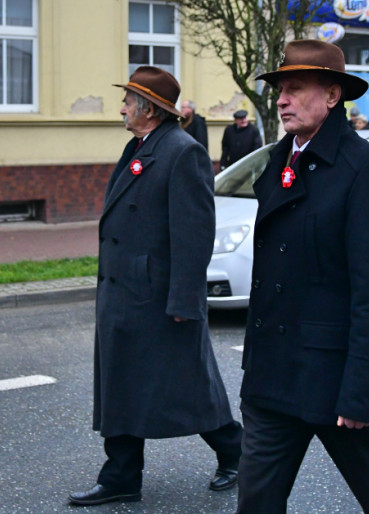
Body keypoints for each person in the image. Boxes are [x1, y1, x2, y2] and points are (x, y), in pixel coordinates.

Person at [236, 40, 369, 513]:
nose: (281, 99)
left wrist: (364, 389)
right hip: (272, 373)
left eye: (295, 88)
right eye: (280, 89)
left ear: (333, 95)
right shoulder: (279, 159)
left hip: (332, 378)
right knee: (255, 501)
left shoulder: (366, 169)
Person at [69, 66, 242, 506]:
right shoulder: (140, 146)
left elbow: (195, 232)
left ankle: (237, 452)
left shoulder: (182, 151)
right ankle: (122, 474)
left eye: (128, 99)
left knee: (188, 388)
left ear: (147, 108)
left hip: (157, 297)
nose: (122, 106)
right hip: (124, 291)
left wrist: (186, 299)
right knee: (121, 384)